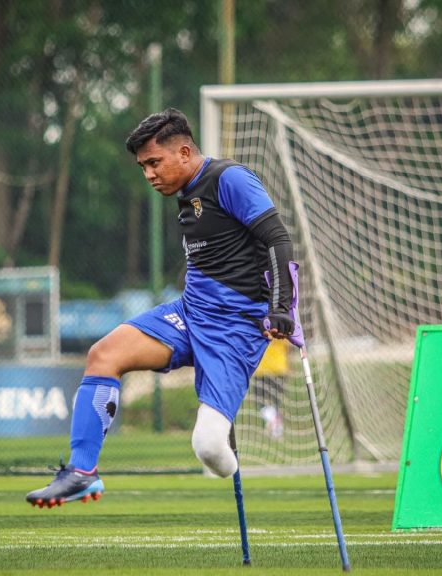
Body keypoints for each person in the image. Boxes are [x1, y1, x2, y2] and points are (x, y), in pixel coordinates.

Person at [26, 107, 297, 508]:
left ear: (184, 152)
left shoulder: (230, 179)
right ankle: (82, 473)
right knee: (103, 355)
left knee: (208, 448)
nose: (149, 174)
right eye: (143, 166)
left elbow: (277, 239)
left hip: (235, 328)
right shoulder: (185, 193)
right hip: (189, 315)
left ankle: (228, 460)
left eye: (154, 162)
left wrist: (280, 307)